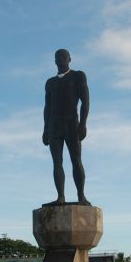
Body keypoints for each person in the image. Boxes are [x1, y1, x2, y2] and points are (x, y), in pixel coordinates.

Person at [42, 48, 90, 205]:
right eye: (57, 57)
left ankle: (81, 196)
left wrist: (83, 124)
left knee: (76, 160)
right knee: (57, 162)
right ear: (55, 61)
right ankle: (60, 197)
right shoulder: (50, 82)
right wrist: (45, 129)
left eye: (64, 56)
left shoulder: (78, 76)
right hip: (54, 127)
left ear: (70, 59)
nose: (60, 59)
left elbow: (85, 101)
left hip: (72, 125)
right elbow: (47, 107)